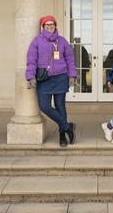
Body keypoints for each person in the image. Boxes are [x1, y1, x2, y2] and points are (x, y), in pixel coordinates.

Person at [26, 15, 77, 147]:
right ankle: (67, 126)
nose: (50, 26)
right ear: (43, 26)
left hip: (61, 77)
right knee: (44, 106)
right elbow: (31, 61)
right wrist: (30, 76)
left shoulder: (62, 41)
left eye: (52, 24)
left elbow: (70, 59)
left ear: (55, 26)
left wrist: (72, 75)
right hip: (44, 79)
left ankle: (62, 135)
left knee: (60, 106)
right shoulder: (37, 41)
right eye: (47, 24)